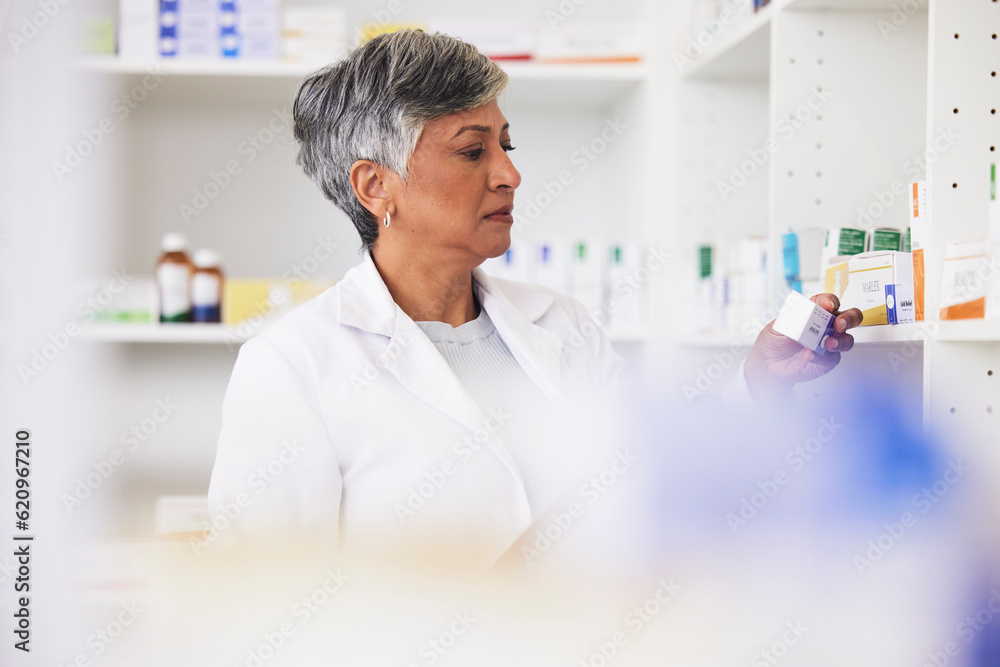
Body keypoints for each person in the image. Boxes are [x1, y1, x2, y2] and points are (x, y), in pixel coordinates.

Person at [206, 29, 861, 569]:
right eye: (473, 151)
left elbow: (645, 475)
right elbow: (270, 609)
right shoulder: (292, 364)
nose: (510, 174)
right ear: (376, 186)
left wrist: (757, 383)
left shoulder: (560, 323)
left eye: (507, 144)